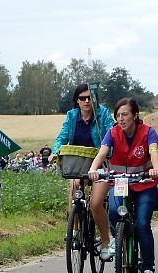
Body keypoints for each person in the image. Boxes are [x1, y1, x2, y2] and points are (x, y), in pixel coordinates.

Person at [87, 98, 158, 273]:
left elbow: (154, 152)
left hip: (144, 183)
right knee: (113, 212)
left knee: (143, 225)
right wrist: (94, 169)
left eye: (125, 114)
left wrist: (156, 168)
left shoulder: (148, 132)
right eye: (118, 115)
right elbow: (102, 153)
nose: (121, 119)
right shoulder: (112, 133)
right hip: (120, 182)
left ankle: (148, 269)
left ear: (135, 115)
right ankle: (118, 237)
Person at [50, 83, 115, 260]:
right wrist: (56, 151)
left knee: (96, 203)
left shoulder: (102, 114)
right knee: (74, 192)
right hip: (80, 163)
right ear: (76, 101)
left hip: (101, 163)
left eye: (89, 97)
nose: (86, 101)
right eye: (82, 98)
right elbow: (62, 136)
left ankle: (105, 241)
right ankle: (76, 230)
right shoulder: (71, 116)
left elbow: (112, 134)